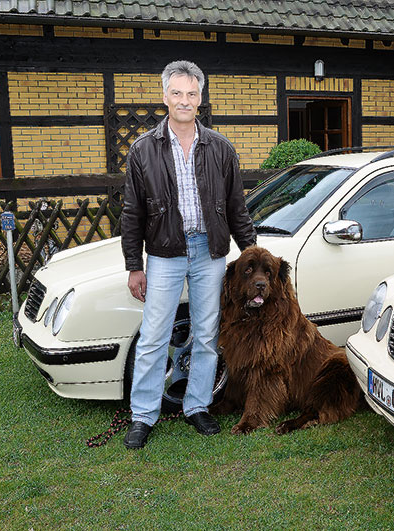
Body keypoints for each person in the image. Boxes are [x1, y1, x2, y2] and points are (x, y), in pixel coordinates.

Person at [120, 60, 256, 449]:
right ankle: (143, 416)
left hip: (209, 251)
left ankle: (197, 406)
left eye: (191, 93)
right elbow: (132, 213)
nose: (184, 100)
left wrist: (251, 251)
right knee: (153, 336)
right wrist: (134, 265)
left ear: (201, 98)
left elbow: (236, 208)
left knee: (206, 334)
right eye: (177, 93)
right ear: (165, 97)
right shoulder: (143, 150)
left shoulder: (220, 148)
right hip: (164, 253)